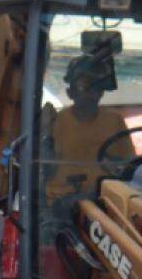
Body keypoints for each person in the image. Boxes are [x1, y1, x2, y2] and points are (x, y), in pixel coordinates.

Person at [43, 54, 131, 201]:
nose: (90, 93)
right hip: (60, 202)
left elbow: (129, 166)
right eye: (84, 86)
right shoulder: (55, 122)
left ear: (101, 92)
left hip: (105, 201)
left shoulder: (115, 122)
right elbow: (44, 168)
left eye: (94, 86)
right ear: (70, 92)